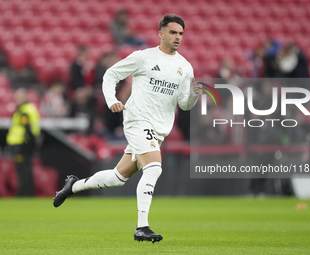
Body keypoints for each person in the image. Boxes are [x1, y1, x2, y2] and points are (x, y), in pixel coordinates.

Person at [53, 14, 202, 242]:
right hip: (138, 121)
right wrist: (111, 98)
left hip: (159, 130)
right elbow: (111, 74)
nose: (177, 37)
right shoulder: (144, 57)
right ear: (161, 33)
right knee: (153, 168)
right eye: (172, 32)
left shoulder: (185, 67)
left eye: (181, 33)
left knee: (117, 177)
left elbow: (184, 104)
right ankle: (142, 227)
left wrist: (192, 95)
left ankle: (73, 185)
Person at [6, 88, 40, 196]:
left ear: (25, 98)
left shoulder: (24, 111)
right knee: (26, 169)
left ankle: (25, 193)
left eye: (18, 98)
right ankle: (28, 192)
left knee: (23, 171)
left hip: (22, 144)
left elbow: (27, 128)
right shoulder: (30, 108)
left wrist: (27, 144)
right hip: (26, 144)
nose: (16, 100)